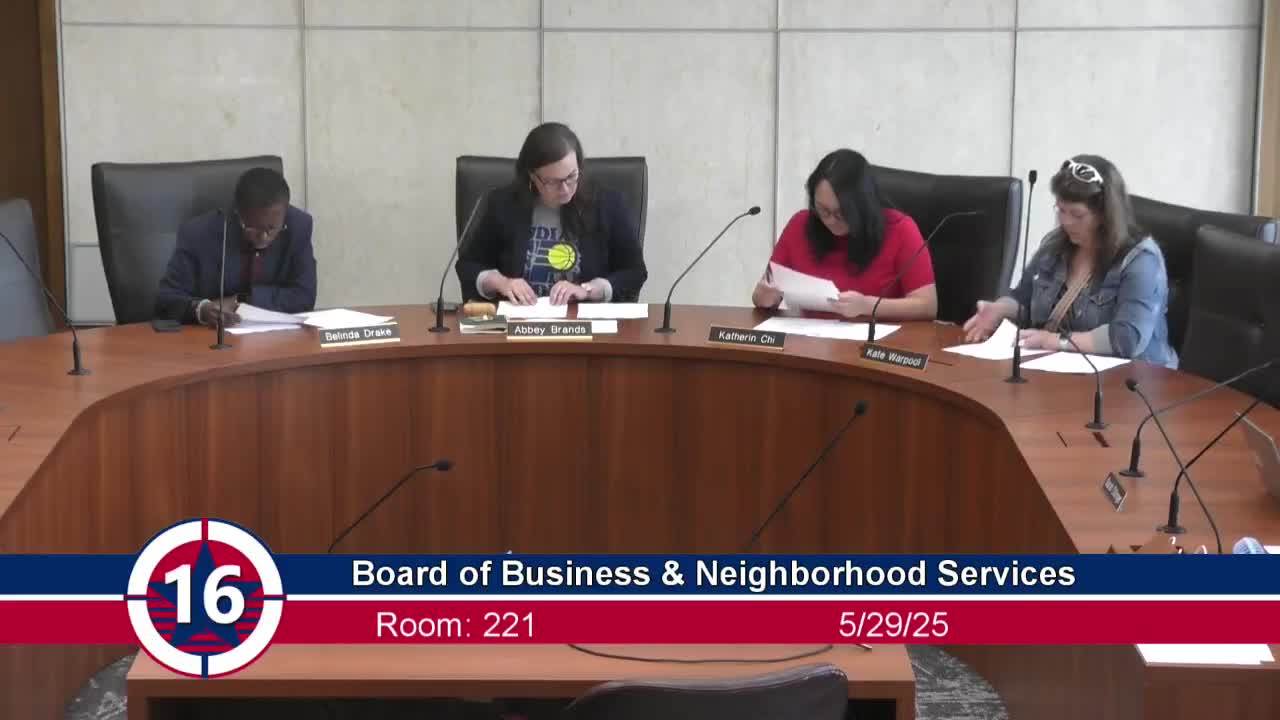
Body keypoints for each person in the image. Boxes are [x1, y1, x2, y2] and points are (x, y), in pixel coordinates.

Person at [962, 155, 1178, 368]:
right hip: (1061, 373)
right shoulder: (1054, 246)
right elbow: (1024, 299)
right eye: (1061, 210)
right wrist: (1000, 309)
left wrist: (1055, 342)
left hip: (1132, 380)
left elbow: (1127, 338)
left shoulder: (1141, 260)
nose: (1066, 222)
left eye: (1077, 214)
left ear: (1105, 215)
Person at [457, 122, 647, 305]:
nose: (565, 189)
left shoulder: (608, 204)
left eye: (571, 176)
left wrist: (588, 290)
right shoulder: (502, 204)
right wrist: (501, 282)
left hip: (584, 321)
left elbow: (634, 272)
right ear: (532, 176)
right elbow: (468, 266)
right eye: (553, 182)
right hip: (519, 319)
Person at [752, 149, 937, 321]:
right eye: (823, 210)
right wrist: (764, 296)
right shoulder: (800, 225)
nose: (830, 220)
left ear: (863, 205)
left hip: (876, 341)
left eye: (841, 213)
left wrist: (866, 306)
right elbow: (765, 289)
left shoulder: (900, 229)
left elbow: (927, 305)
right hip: (812, 339)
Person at [154, 167, 317, 326]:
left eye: (272, 228)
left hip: (278, 337)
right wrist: (202, 309)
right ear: (238, 212)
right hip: (211, 337)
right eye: (253, 228)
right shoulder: (198, 234)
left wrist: (243, 300)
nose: (263, 236)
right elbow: (166, 299)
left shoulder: (298, 226)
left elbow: (305, 297)